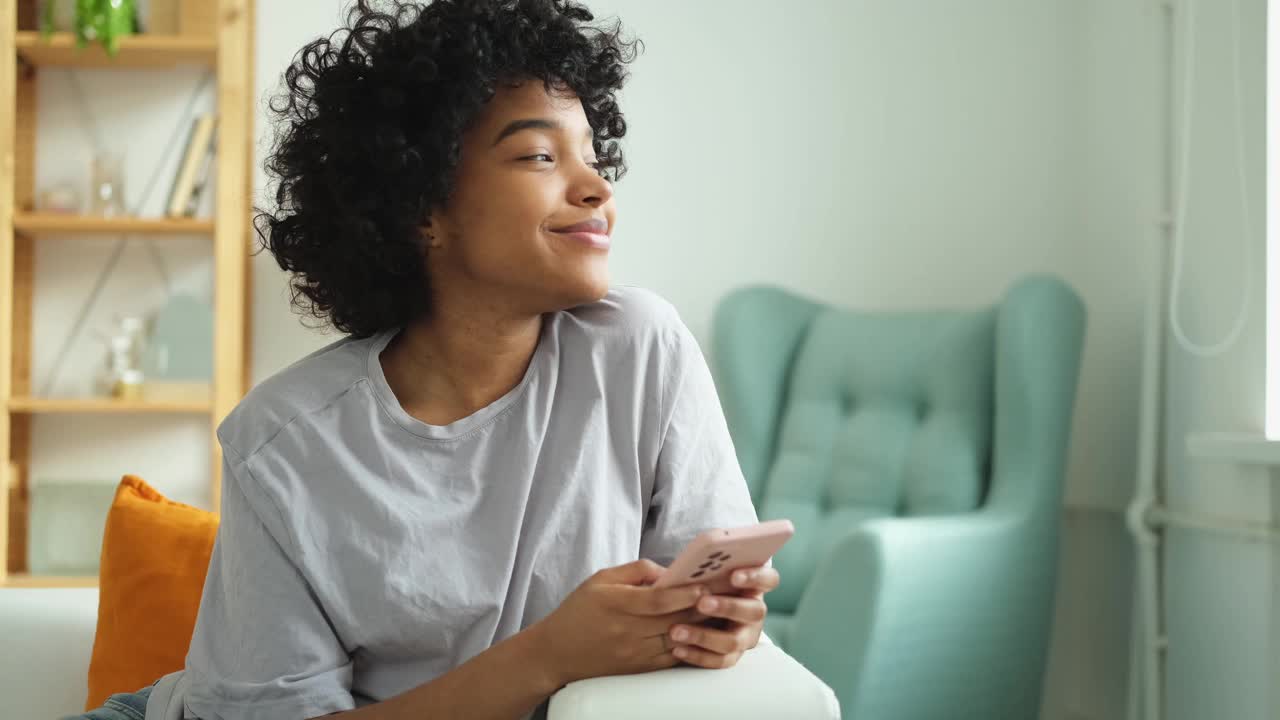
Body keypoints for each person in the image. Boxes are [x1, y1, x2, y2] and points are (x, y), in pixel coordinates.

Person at [74, 1, 779, 719]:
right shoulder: (284, 442)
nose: (597, 188)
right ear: (422, 209)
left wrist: (718, 624)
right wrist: (548, 655)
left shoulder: (640, 351)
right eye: (540, 155)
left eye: (594, 157)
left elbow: (704, 593)